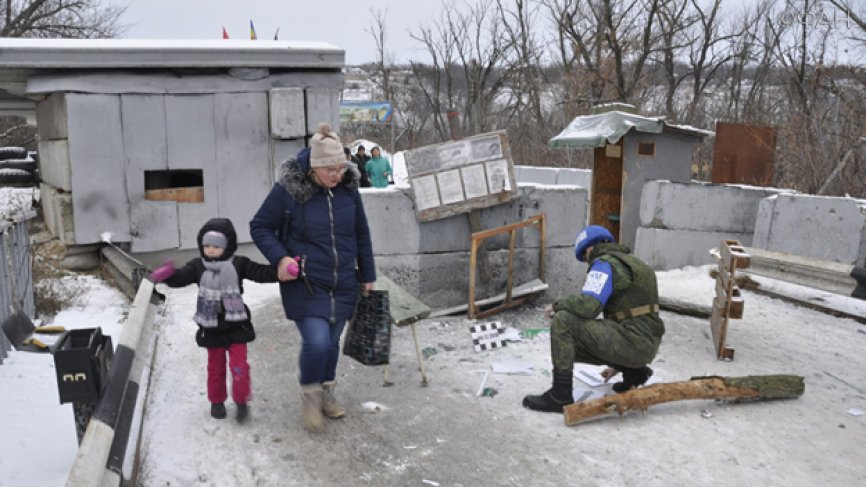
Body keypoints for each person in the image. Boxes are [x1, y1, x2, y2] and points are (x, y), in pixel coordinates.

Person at [250, 122, 376, 433]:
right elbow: (260, 226)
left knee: (332, 342)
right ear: (314, 168)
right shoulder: (289, 191)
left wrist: (368, 273)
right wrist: (280, 257)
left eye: (340, 168)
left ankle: (327, 391)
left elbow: (361, 233)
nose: (337, 175)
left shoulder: (348, 190)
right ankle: (310, 393)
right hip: (306, 281)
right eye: (330, 169)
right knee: (317, 340)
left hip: (344, 281)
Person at [522, 224, 665, 413]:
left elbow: (588, 306)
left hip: (632, 342)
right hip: (647, 344)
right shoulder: (637, 264)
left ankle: (560, 395)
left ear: (589, 248)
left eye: (584, 257)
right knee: (583, 337)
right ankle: (634, 373)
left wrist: (558, 305)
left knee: (563, 321)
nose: (587, 262)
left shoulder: (604, 263)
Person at [150, 218, 278, 422]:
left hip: (237, 324)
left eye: (216, 246)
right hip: (212, 326)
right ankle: (216, 401)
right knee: (215, 367)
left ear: (227, 246)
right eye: (206, 245)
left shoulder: (239, 264)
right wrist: (168, 274)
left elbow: (260, 273)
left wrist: (283, 271)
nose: (210, 250)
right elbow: (181, 278)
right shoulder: (197, 266)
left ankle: (241, 400)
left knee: (239, 367)